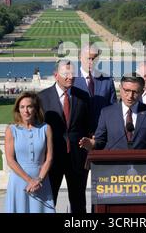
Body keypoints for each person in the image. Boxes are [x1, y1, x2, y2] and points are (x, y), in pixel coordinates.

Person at [38, 60, 90, 213]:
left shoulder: (83, 96)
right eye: (66, 74)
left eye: (72, 74)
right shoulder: (42, 98)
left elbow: (88, 126)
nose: (70, 77)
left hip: (77, 157)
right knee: (49, 200)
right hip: (52, 158)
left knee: (79, 201)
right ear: (56, 76)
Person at [79, 73, 146, 151]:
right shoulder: (107, 113)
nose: (130, 96)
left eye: (134, 92)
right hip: (114, 169)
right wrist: (93, 144)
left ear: (141, 92)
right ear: (120, 89)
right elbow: (100, 141)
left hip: (143, 170)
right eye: (126, 90)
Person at [4, 91, 55, 213]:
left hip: (41, 182)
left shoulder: (46, 128)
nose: (26, 110)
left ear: (36, 109)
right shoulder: (11, 130)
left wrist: (38, 179)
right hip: (18, 181)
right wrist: (29, 180)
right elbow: (10, 160)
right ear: (18, 110)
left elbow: (49, 158)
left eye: (29, 106)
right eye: (22, 107)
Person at [73, 43, 116, 134]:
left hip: (103, 135)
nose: (91, 62)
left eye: (94, 58)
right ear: (80, 57)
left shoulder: (107, 81)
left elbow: (113, 110)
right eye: (88, 58)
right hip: (78, 136)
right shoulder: (71, 81)